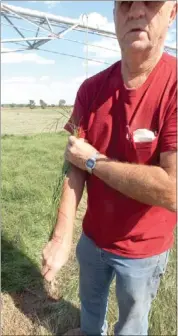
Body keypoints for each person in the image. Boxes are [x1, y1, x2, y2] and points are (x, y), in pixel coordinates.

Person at [42, 1, 177, 335]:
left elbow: (173, 190)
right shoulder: (90, 89)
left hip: (143, 250)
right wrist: (62, 236)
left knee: (131, 324)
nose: (136, 11)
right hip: (92, 241)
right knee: (90, 309)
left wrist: (94, 161)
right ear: (115, 13)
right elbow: (73, 163)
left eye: (150, 2)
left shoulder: (174, 87)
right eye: (125, 3)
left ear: (172, 12)